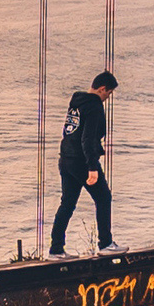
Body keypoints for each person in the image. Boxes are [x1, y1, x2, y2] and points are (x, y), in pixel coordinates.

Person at [51, 69, 119, 252]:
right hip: (82, 160)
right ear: (102, 89)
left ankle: (56, 250)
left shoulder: (76, 103)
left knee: (67, 204)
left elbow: (70, 131)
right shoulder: (94, 105)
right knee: (103, 197)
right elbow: (88, 139)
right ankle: (105, 244)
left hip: (66, 159)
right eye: (109, 93)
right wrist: (92, 167)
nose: (108, 97)